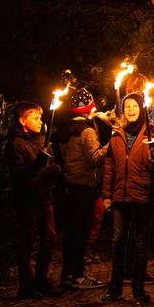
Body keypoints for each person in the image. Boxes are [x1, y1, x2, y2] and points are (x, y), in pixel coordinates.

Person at [102, 93, 154, 303]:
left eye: (134, 106)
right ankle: (115, 289)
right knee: (118, 241)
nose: (130, 110)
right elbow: (110, 165)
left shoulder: (152, 132)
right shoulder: (117, 134)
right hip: (121, 195)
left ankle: (138, 289)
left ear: (142, 109)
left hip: (143, 196)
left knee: (140, 243)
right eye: (126, 106)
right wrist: (107, 195)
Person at [6, 101, 61, 299]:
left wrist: (54, 168)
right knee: (27, 242)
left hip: (45, 198)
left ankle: (41, 280)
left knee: (49, 239)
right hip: (28, 201)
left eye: (40, 117)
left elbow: (50, 163)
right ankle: (26, 286)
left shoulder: (40, 141)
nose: (40, 121)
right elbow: (19, 176)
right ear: (22, 120)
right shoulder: (15, 145)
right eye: (35, 118)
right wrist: (41, 164)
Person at [55, 88, 107, 289]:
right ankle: (77, 275)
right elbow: (94, 159)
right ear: (89, 107)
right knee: (80, 234)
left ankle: (68, 275)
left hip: (69, 186)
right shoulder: (87, 131)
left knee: (71, 234)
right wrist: (110, 145)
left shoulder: (64, 129)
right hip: (84, 187)